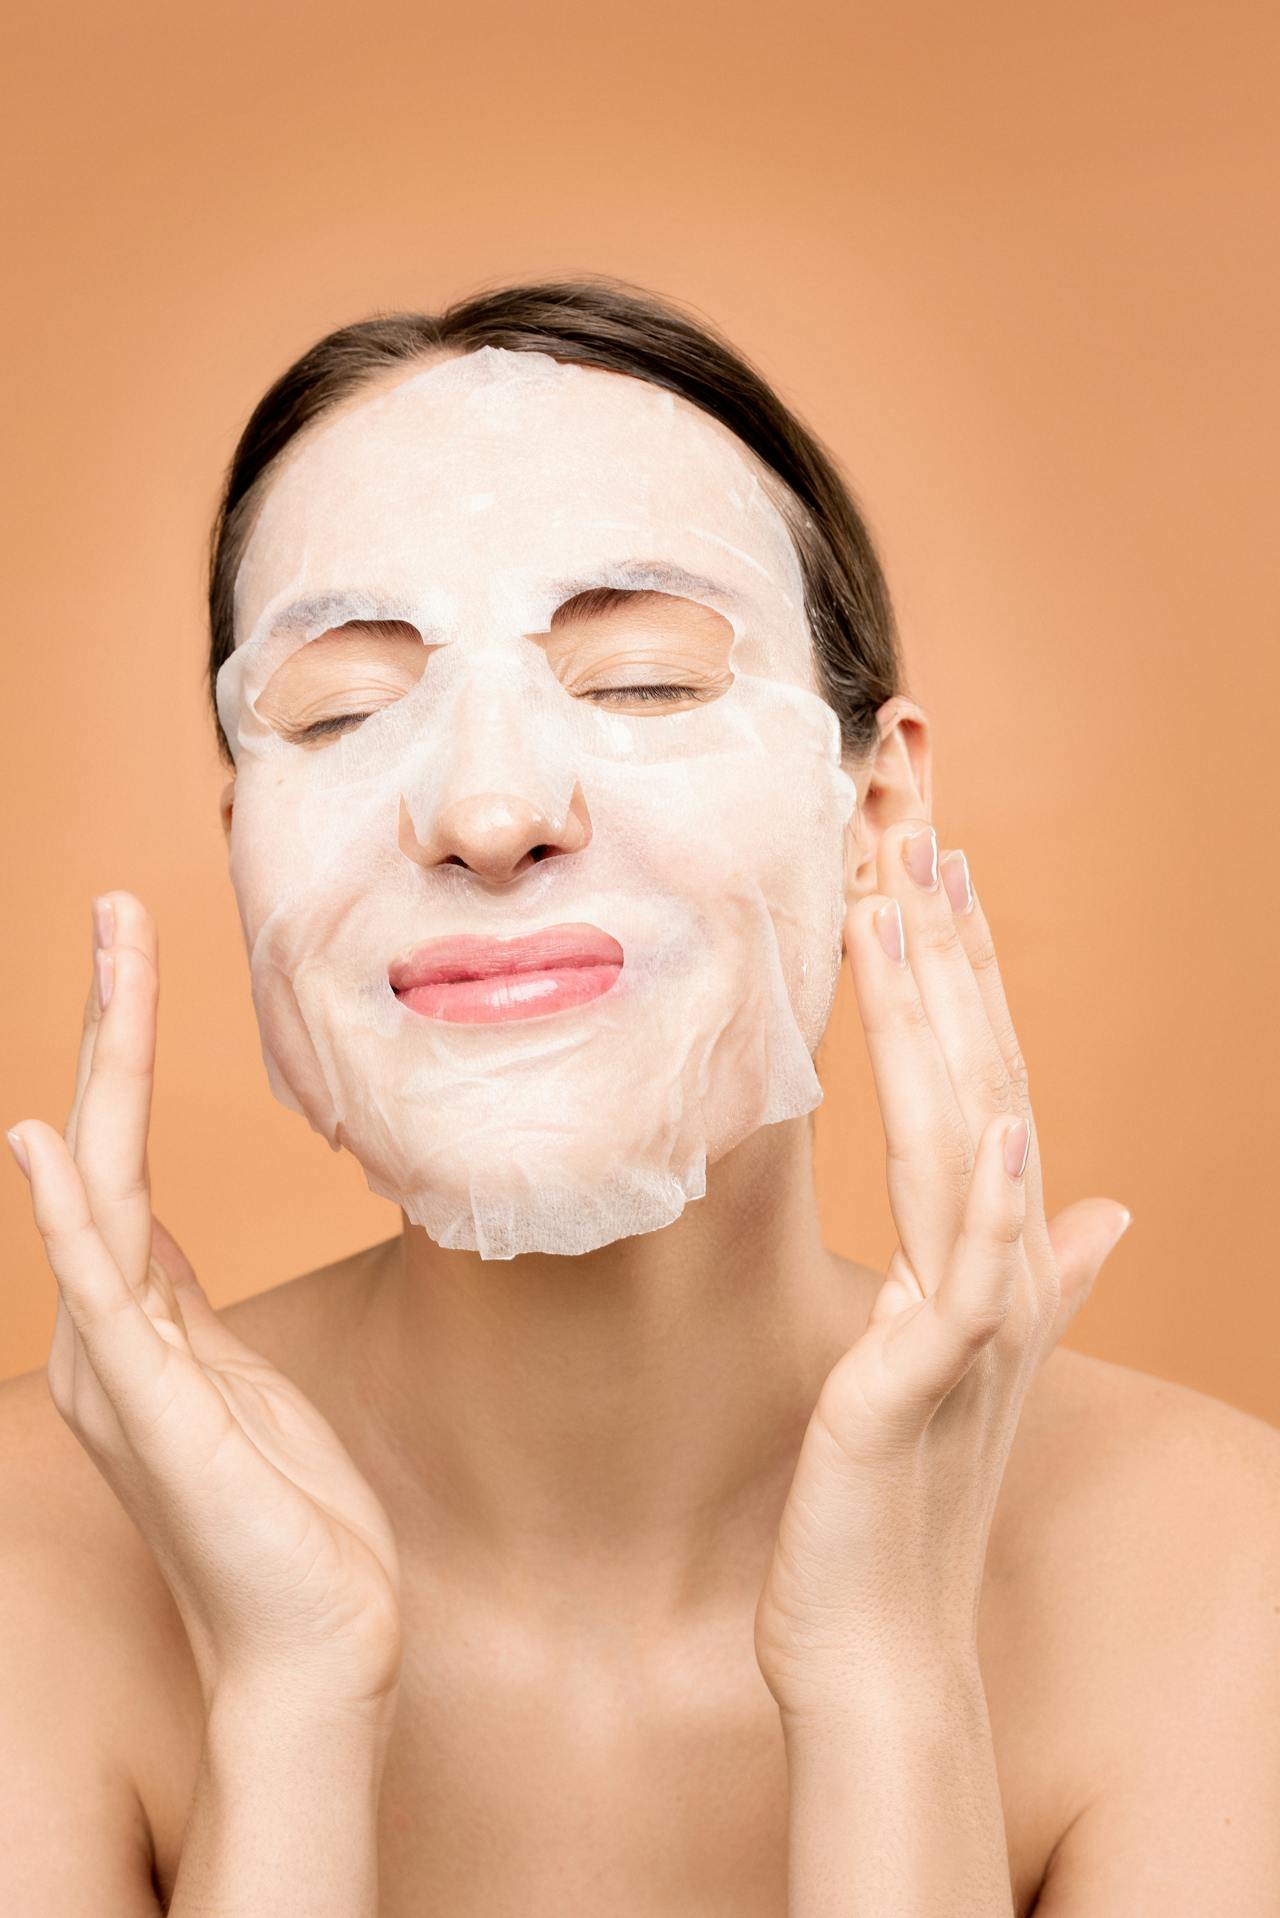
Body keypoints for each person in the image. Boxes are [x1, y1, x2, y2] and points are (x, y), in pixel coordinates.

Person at [2, 277, 1276, 1917]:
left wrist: (890, 1679)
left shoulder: (1212, 1571)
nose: (488, 805)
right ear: (246, 841)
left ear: (874, 816)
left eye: (645, 683)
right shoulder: (29, 1566)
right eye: (342, 709)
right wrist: (292, 1702)